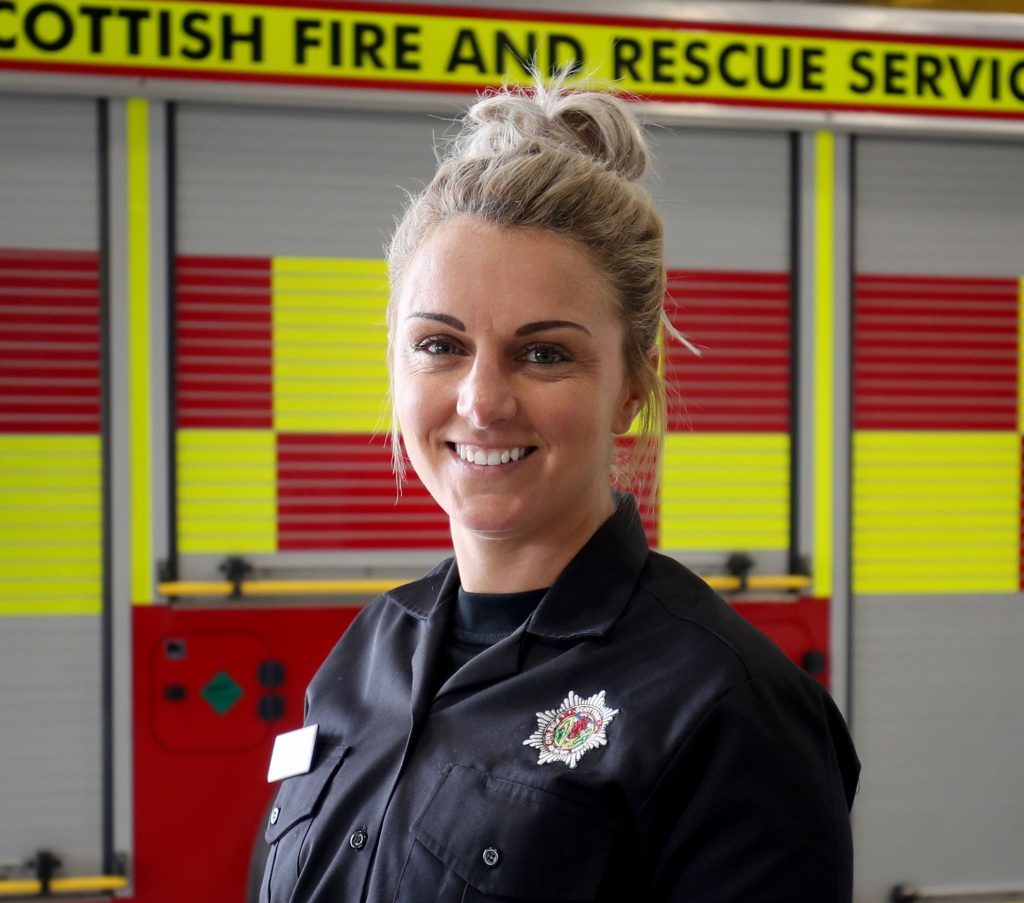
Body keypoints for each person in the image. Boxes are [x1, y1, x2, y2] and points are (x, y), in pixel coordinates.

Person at [259, 80, 859, 902]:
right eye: (440, 344)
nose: (481, 401)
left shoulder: (727, 711)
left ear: (630, 387)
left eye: (544, 354)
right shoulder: (364, 658)